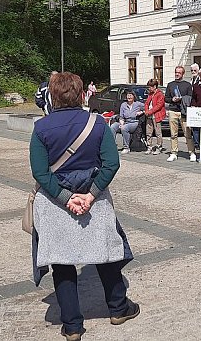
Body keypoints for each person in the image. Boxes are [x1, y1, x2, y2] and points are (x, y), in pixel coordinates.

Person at [29, 72, 139, 340]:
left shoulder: (41, 128)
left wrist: (66, 197)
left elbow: (40, 173)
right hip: (94, 198)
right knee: (106, 254)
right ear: (81, 95)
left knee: (62, 262)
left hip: (55, 202)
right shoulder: (98, 123)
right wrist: (90, 195)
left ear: (52, 97)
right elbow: (112, 163)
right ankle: (118, 308)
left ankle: (73, 326)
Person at [164, 66, 195, 162]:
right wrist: (172, 99)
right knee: (173, 134)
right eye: (176, 72)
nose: (177, 74)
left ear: (183, 74)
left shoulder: (187, 85)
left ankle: (191, 152)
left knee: (187, 133)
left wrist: (182, 99)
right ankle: (174, 153)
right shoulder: (170, 85)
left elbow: (191, 97)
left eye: (179, 73)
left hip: (184, 111)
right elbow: (166, 98)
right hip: (173, 110)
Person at [143, 79, 166, 155]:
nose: (149, 88)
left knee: (158, 132)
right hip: (149, 116)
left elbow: (159, 106)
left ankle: (159, 147)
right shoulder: (150, 94)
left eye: (150, 87)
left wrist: (149, 112)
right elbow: (146, 103)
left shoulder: (160, 94)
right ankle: (149, 147)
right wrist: (146, 111)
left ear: (155, 86)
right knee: (148, 132)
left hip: (156, 116)